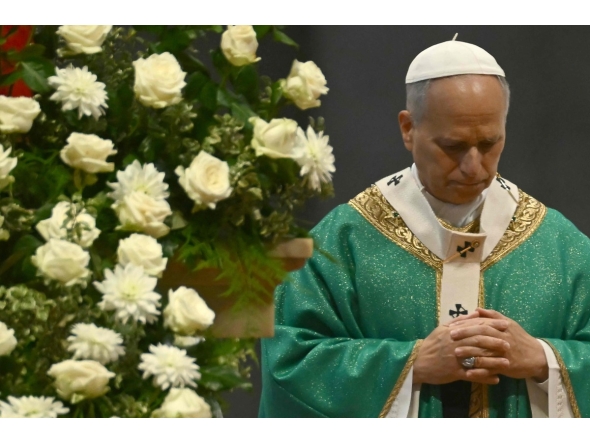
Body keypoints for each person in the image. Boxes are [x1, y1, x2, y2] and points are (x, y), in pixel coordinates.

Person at [259, 36, 590, 418]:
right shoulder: (342, 241)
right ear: (408, 128)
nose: (473, 165)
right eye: (453, 146)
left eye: (489, 143)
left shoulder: (559, 246)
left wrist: (543, 360)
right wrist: (409, 364)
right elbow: (289, 361)